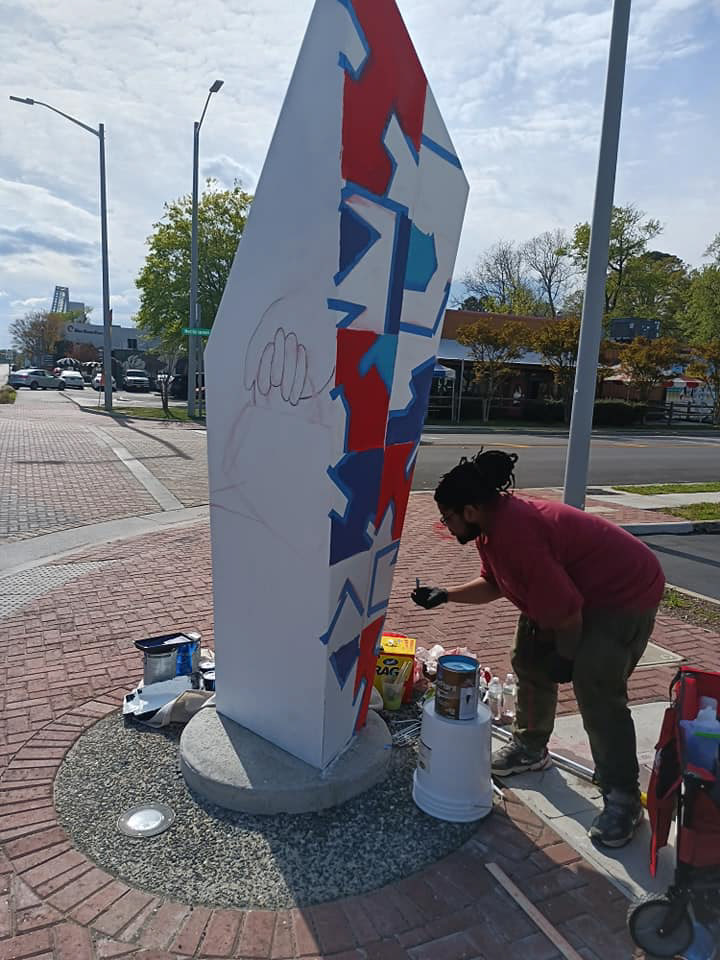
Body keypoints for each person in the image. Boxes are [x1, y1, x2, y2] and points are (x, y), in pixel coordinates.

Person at [411, 449, 665, 848]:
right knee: (528, 657)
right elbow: (496, 583)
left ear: (471, 510)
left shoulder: (516, 533)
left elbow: (568, 615)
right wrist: (446, 595)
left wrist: (566, 657)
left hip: (623, 592)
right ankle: (530, 747)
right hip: (576, 590)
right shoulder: (490, 526)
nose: (446, 524)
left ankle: (623, 798)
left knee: (595, 685)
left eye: (448, 516)